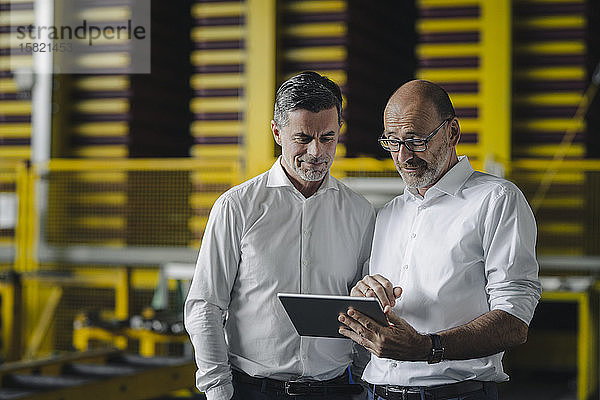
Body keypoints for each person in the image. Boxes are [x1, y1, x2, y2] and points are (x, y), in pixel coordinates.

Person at [338, 79, 542, 400]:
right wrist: (364, 297)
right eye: (392, 141)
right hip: (378, 391)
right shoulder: (389, 214)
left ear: (452, 133)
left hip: (456, 394)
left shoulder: (496, 199)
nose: (403, 156)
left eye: (416, 140)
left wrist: (428, 348)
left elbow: (515, 321)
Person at [184, 71, 375, 400]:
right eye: (302, 138)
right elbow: (205, 307)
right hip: (252, 390)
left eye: (328, 138)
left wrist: (363, 382)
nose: (316, 151)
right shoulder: (237, 207)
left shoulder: (360, 213)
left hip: (336, 390)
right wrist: (219, 392)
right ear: (277, 132)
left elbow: (362, 310)